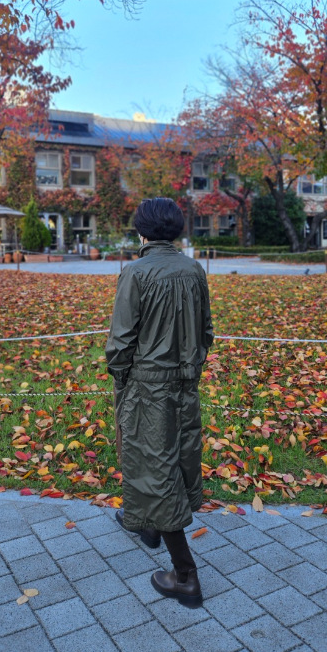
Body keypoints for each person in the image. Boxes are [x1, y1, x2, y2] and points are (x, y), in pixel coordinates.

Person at [106, 197, 214, 608]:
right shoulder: (193, 269)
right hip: (185, 384)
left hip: (147, 385)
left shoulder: (135, 272)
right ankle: (148, 526)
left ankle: (185, 575)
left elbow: (120, 343)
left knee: (155, 465)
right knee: (177, 456)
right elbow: (206, 332)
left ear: (142, 231)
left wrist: (123, 381)